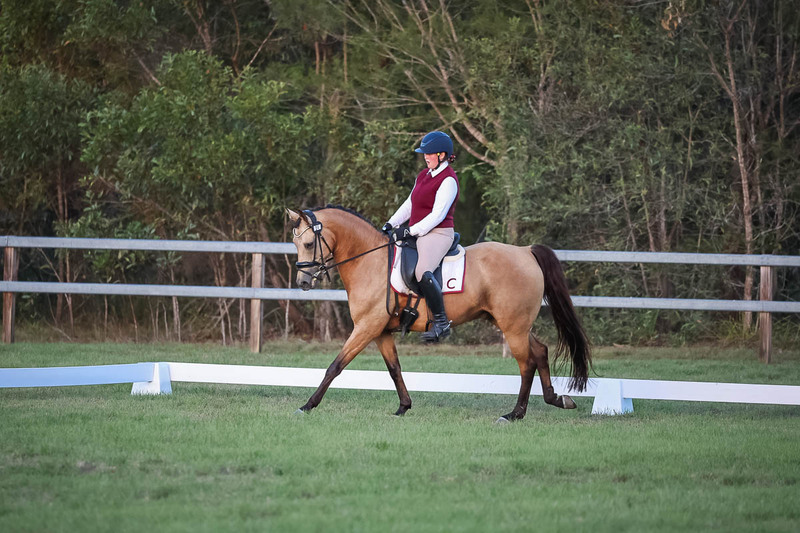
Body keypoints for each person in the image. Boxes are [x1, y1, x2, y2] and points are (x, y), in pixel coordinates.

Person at [382, 130, 459, 342]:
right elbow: (410, 204)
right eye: (424, 153)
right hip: (419, 232)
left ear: (442, 155)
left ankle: (441, 323)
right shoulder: (423, 175)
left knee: (422, 272)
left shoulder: (448, 180)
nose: (425, 156)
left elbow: (437, 216)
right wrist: (391, 223)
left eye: (430, 153)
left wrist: (408, 230)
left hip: (439, 233)